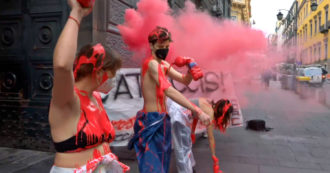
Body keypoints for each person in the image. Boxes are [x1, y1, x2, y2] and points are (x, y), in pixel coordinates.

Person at [48, 0, 129, 172]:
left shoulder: (96, 97)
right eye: (112, 72)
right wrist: (77, 13)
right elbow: (62, 65)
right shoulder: (68, 99)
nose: (114, 79)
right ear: (99, 72)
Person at [128, 26, 211, 173]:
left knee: (163, 162)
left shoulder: (164, 64)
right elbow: (168, 90)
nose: (164, 50)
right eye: (161, 46)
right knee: (152, 166)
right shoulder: (151, 64)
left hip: (164, 119)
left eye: (167, 46)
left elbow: (184, 81)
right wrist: (197, 110)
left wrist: (190, 66)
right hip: (151, 120)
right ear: (151, 45)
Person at [167, 98, 233, 173]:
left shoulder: (207, 102)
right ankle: (185, 171)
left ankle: (189, 167)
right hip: (178, 114)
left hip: (176, 107)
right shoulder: (210, 115)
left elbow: (195, 113)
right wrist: (214, 156)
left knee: (186, 145)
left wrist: (191, 132)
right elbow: (211, 138)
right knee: (182, 148)